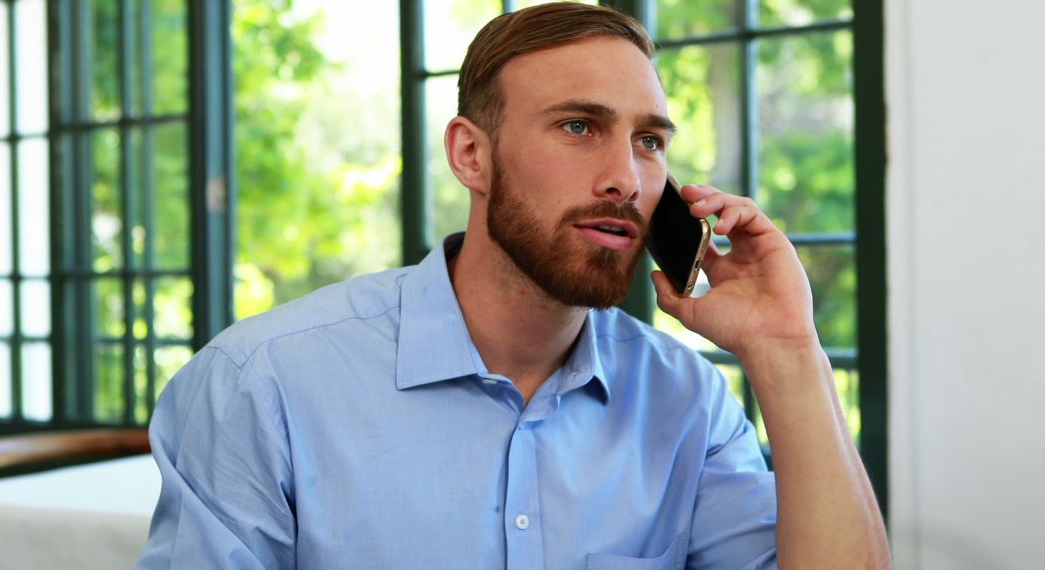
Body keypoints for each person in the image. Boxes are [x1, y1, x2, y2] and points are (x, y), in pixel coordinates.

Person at [137, 3, 889, 568]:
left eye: (649, 141)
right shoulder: (260, 385)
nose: (626, 179)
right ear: (471, 155)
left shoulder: (684, 403)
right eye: (578, 127)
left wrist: (787, 349)